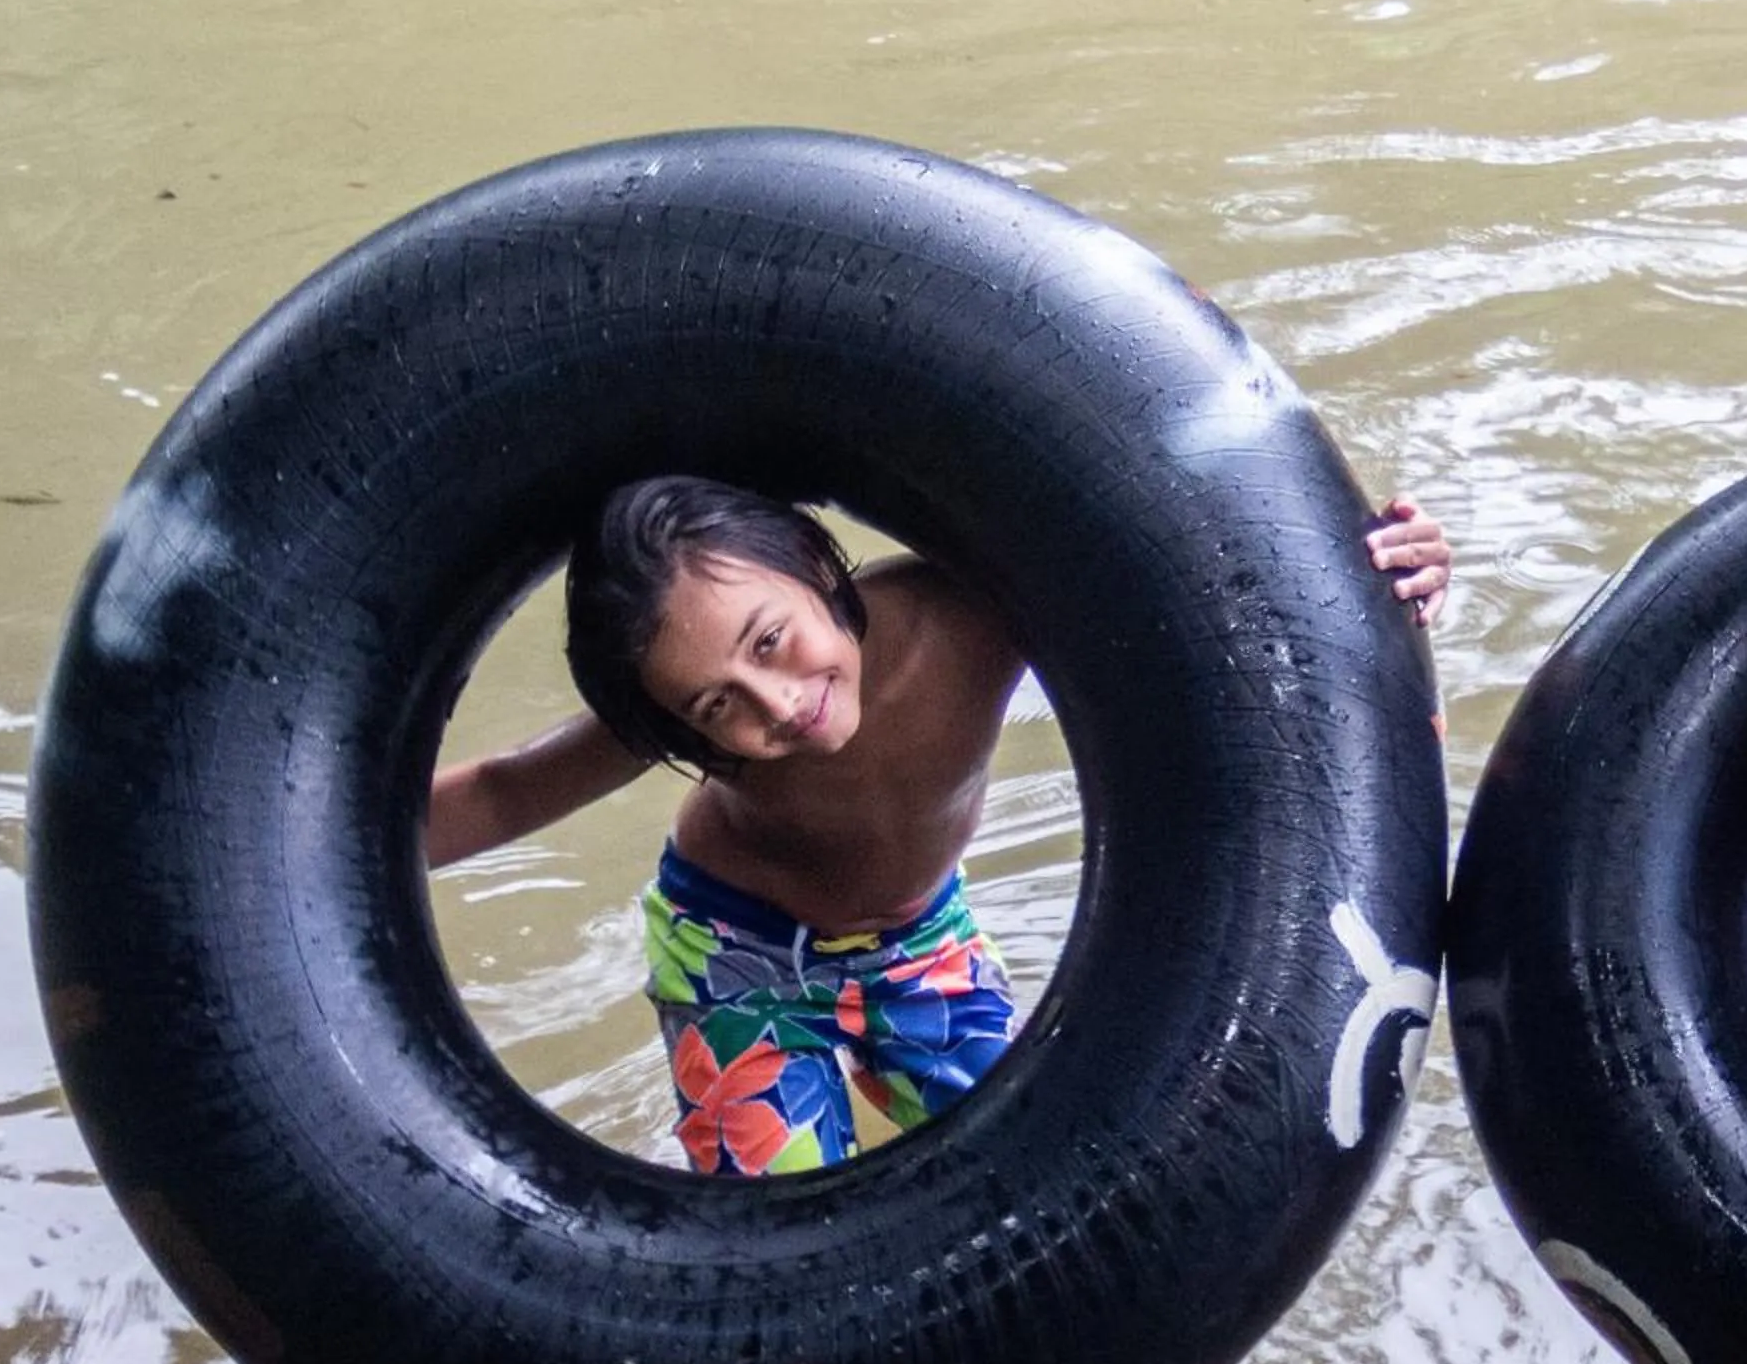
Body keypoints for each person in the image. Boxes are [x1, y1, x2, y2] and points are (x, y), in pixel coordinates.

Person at [427, 475, 1453, 1177]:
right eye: (715, 705)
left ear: (811, 563)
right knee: (774, 1227)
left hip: (922, 941)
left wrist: (1383, 578)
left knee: (1050, 1174)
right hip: (735, 957)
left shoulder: (977, 611)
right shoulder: (691, 710)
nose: (774, 705)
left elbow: (1236, 598)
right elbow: (513, 789)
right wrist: (286, 851)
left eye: (772, 641)